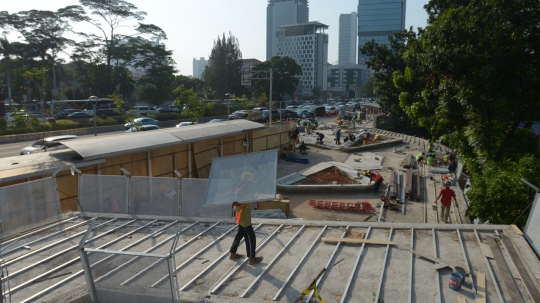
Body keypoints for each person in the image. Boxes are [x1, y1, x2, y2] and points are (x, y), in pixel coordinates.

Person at [229, 172, 263, 264]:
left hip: (242, 217)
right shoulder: (241, 192)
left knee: (240, 234)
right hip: (244, 218)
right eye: (250, 182)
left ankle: (233, 253)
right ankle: (252, 258)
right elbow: (237, 207)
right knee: (251, 238)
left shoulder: (244, 189)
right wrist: (237, 203)